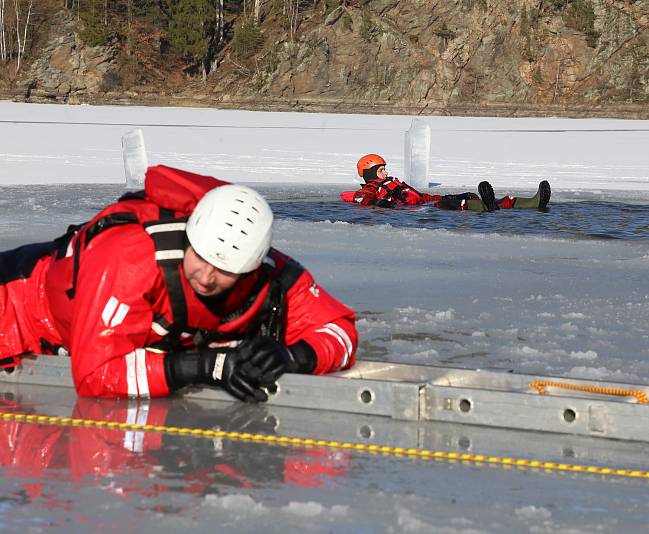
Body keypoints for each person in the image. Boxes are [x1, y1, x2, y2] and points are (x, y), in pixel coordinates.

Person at [0, 165, 358, 402]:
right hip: (16, 308)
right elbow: (96, 375)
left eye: (225, 271)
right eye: (200, 257)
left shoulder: (272, 276)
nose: (206, 276)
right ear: (189, 238)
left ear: (253, 268)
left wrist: (293, 357)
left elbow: (339, 332)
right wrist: (206, 367)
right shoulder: (131, 258)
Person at [340, 153, 550, 212]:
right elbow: (361, 199)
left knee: (459, 200)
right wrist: (378, 203)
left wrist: (452, 195)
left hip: (426, 204)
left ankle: (533, 202)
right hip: (416, 211)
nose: (386, 172)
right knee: (451, 206)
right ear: (370, 173)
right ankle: (485, 206)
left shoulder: (394, 183)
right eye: (381, 169)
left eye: (385, 168)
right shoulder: (372, 188)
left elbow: (424, 197)